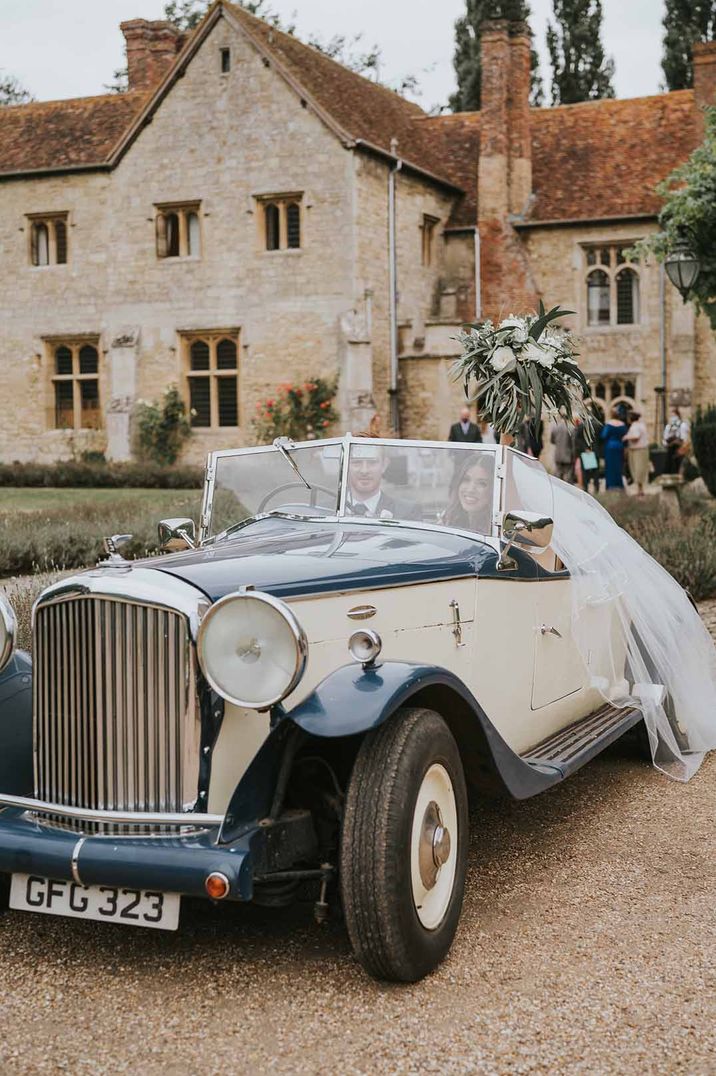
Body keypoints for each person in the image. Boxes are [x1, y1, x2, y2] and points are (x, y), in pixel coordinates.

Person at [345, 443, 419, 520]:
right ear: (346, 464)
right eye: (357, 462)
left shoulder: (407, 512)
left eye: (372, 462)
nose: (364, 470)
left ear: (384, 465)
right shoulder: (331, 509)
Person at [443, 452, 494, 534]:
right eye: (466, 480)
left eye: (482, 483)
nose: (470, 489)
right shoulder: (449, 518)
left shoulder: (495, 532)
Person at [600, 406, 628, 491]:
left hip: (610, 447)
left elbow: (603, 435)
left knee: (610, 466)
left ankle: (610, 484)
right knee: (619, 465)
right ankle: (618, 484)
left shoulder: (609, 424)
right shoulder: (622, 425)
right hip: (619, 446)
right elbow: (625, 436)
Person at [623, 410, 650, 497]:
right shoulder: (641, 425)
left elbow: (636, 437)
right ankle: (640, 489)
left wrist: (626, 437)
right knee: (640, 469)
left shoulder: (635, 426)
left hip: (637, 450)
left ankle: (640, 490)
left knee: (638, 469)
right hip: (642, 449)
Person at [573, 416, 600, 494]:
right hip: (595, 450)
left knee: (585, 470)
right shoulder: (597, 425)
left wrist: (585, 448)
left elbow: (577, 439)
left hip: (585, 451)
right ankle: (596, 487)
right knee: (596, 470)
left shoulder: (582, 426)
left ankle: (586, 487)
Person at [663, 408, 690, 475]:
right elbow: (665, 438)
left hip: (679, 448)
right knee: (669, 466)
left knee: (680, 465)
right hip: (670, 449)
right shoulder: (668, 427)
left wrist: (681, 446)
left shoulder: (683, 425)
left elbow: (684, 439)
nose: (672, 417)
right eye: (671, 416)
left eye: (674, 415)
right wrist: (667, 443)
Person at [550, 418, 575, 483]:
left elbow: (552, 441)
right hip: (568, 454)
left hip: (558, 454)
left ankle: (558, 489)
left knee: (558, 473)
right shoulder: (571, 428)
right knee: (568, 474)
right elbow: (573, 443)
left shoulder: (555, 428)